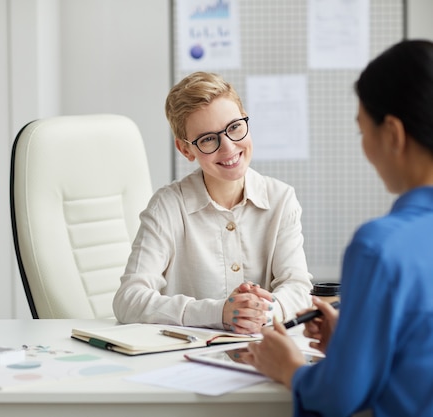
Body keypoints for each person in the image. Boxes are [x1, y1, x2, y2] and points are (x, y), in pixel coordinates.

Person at [242, 39, 433, 416]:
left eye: (363, 131)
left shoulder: (379, 247)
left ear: (392, 134)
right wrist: (354, 342)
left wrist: (289, 368)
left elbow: (339, 397)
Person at [112, 71, 313, 334]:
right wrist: (219, 312)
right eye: (208, 139)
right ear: (186, 150)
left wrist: (256, 311)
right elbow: (128, 300)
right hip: (184, 359)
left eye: (234, 127)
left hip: (261, 351)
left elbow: (298, 287)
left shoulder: (281, 199)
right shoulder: (168, 206)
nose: (228, 147)